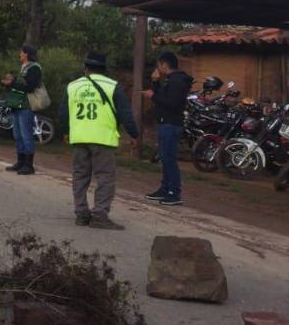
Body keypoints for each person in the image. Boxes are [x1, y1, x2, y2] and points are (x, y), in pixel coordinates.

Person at [65, 52, 140, 229]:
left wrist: (66, 131)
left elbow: (64, 112)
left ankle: (81, 214)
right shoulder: (113, 86)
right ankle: (99, 215)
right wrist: (134, 134)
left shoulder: (73, 86)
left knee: (80, 176)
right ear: (104, 69)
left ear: (85, 68)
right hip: (102, 139)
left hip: (79, 138)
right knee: (105, 177)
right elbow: (125, 114)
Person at [143, 52, 193, 206]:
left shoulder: (177, 81)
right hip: (164, 123)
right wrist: (155, 83)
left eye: (159, 65)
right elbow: (162, 97)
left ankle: (174, 192)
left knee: (169, 158)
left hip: (171, 124)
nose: (158, 68)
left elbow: (172, 104)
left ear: (164, 65)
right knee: (164, 157)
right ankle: (165, 188)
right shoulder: (169, 80)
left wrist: (152, 96)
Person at [0, 45, 43, 174]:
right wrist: (9, 83)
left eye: (21, 52)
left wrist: (13, 82)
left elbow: (30, 87)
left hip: (26, 105)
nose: (20, 54)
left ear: (27, 54)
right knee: (17, 135)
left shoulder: (34, 68)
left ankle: (29, 165)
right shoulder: (23, 67)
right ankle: (20, 161)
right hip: (17, 105)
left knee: (26, 134)